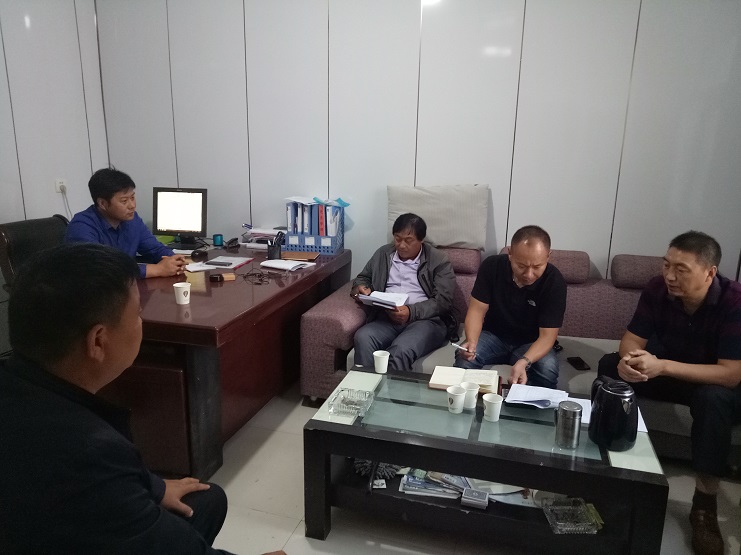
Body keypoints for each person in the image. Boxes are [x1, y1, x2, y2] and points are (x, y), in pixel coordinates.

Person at [0, 243, 284, 555]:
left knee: (206, 500)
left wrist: (152, 486)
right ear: (98, 341)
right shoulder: (90, 453)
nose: (142, 322)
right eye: (137, 313)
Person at [597, 231, 741, 555]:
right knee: (608, 366)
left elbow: (731, 374)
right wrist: (628, 362)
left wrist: (662, 366)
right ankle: (608, 470)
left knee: (712, 399)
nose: (670, 276)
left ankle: (704, 507)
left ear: (709, 273)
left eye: (681, 269)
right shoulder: (657, 288)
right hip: (671, 371)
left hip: (715, 384)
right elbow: (632, 340)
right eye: (666, 265)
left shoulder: (734, 302)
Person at [454, 225, 566, 388]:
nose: (529, 274)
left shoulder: (554, 282)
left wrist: (524, 361)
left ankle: (531, 405)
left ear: (548, 256)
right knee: (464, 359)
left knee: (547, 369)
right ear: (510, 254)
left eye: (537, 267)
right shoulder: (492, 267)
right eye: (521, 266)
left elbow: (548, 337)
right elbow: (477, 311)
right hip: (494, 336)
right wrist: (471, 341)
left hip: (532, 342)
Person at [351, 213, 456, 372]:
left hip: (425, 322)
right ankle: (367, 387)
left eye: (408, 240)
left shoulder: (438, 260)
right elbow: (363, 278)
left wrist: (411, 312)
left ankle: (391, 389)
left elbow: (443, 300)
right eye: (397, 239)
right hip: (387, 318)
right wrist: (360, 287)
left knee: (400, 350)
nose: (401, 245)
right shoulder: (383, 254)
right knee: (363, 337)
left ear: (421, 240)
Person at [66, 167, 186, 278]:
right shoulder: (82, 227)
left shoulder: (132, 219)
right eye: (124, 201)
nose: (132, 205)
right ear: (103, 203)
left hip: (126, 287)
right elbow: (99, 270)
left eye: (132, 198)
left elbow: (154, 248)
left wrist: (174, 260)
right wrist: (157, 269)